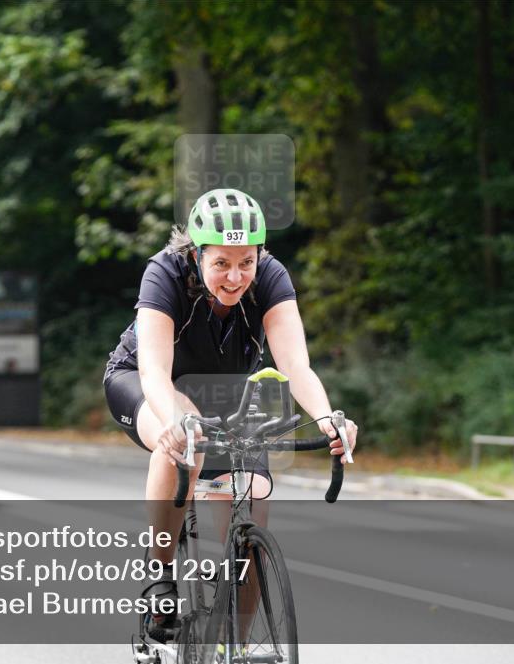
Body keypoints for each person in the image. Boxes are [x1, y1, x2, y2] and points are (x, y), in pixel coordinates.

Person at [103, 188, 358, 634]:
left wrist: (326, 417)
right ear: (197, 254)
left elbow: (295, 365)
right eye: (221, 263)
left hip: (227, 394)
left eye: (246, 262)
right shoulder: (165, 273)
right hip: (145, 383)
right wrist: (172, 422)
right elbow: (155, 372)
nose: (236, 277)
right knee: (187, 441)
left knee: (255, 497)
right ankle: (161, 575)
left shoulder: (272, 277)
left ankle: (230, 644)